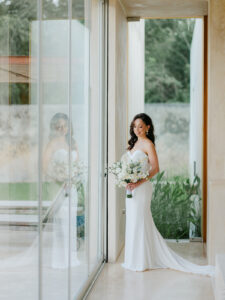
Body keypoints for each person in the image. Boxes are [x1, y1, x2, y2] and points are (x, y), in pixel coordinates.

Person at [121, 113, 214, 276]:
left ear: (148, 127)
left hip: (141, 189)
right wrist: (126, 179)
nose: (137, 130)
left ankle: (141, 260)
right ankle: (133, 259)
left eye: (140, 126)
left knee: (140, 221)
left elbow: (155, 169)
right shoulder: (134, 144)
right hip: (131, 189)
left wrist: (137, 182)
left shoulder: (148, 144)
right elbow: (126, 167)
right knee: (133, 221)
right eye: (134, 126)